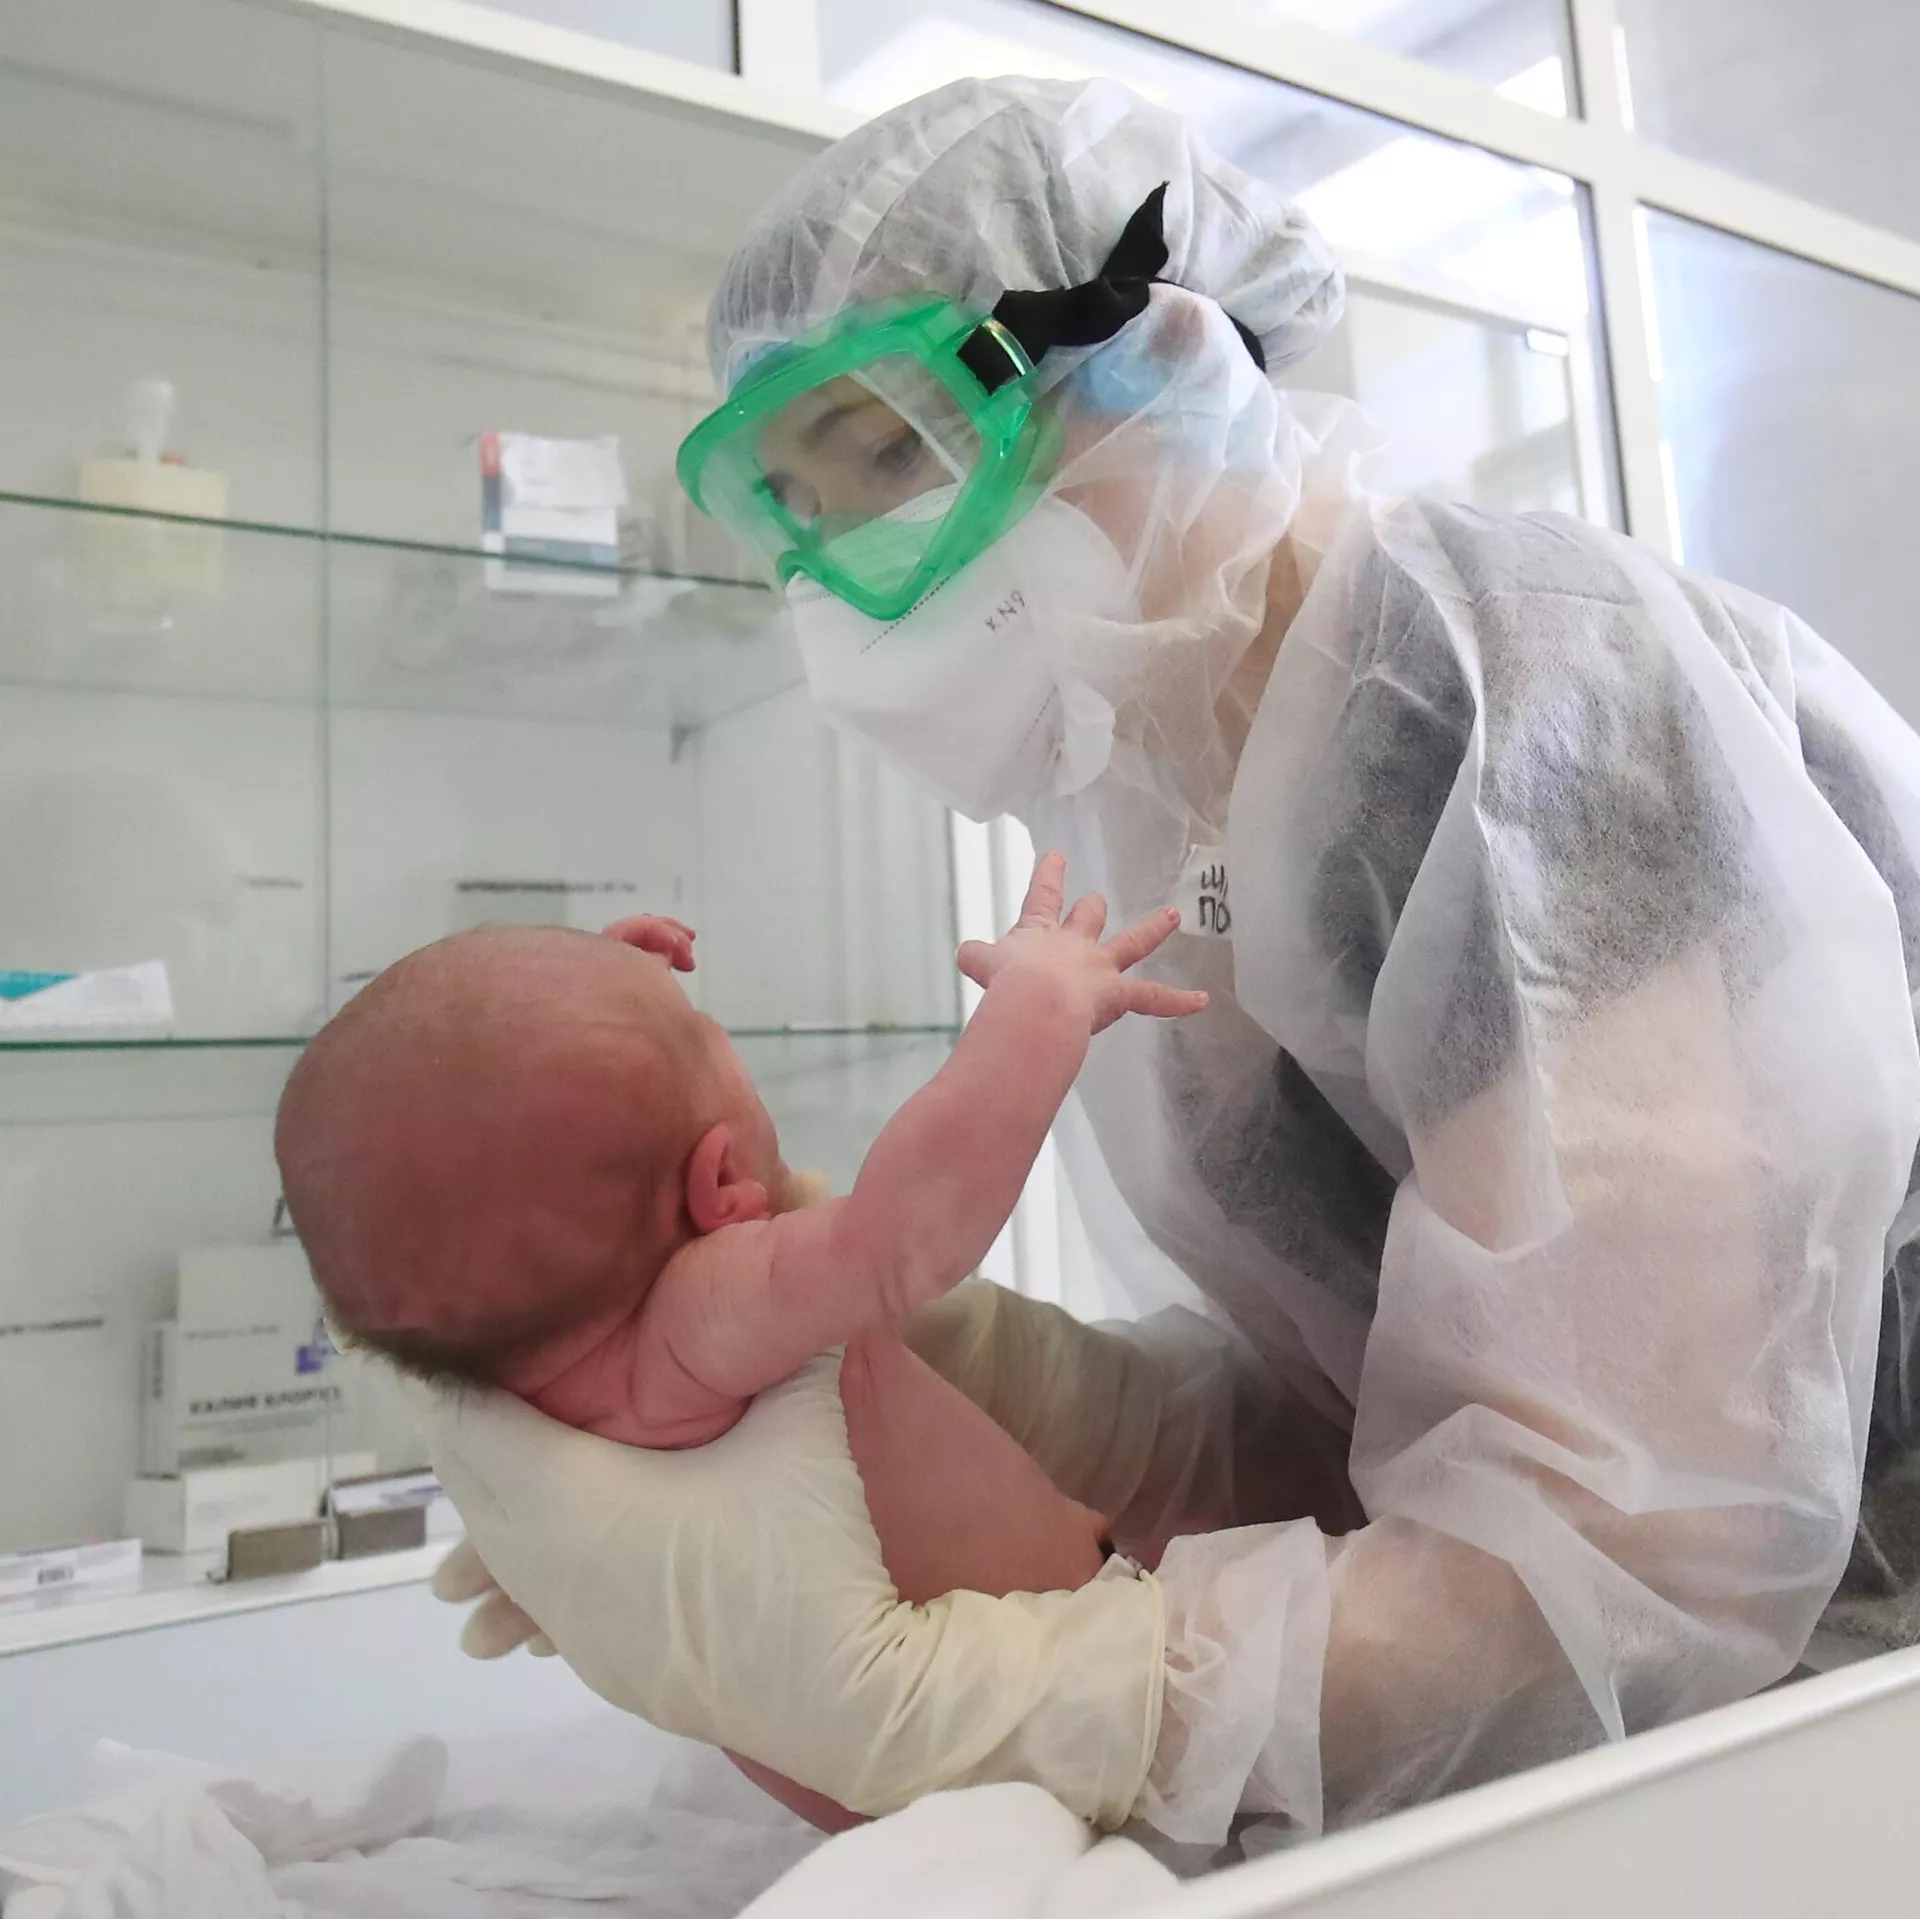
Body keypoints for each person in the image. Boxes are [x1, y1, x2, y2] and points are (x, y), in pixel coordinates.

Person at [417, 75, 1920, 1851]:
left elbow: (1642, 1543)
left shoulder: (1523, 698)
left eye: (891, 449)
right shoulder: (1171, 809)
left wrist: (1019, 1697)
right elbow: (1369, 1412)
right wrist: (941, 1365)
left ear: (1156, 346)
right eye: (805, 506)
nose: (858, 578)